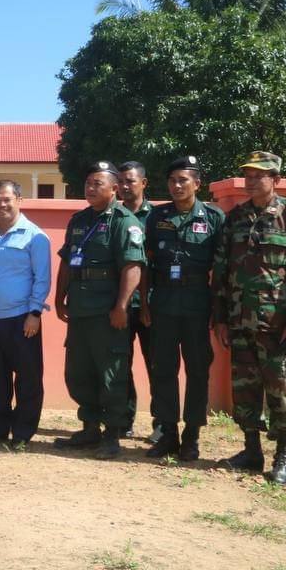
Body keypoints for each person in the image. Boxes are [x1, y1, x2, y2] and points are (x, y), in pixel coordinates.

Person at [212, 151, 286, 486]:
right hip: (240, 319)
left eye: (259, 175)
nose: (251, 180)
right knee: (244, 389)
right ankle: (251, 450)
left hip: (278, 324)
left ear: (276, 179)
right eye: (248, 174)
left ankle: (282, 456)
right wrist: (220, 317)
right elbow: (222, 269)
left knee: (282, 389)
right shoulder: (236, 218)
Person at [53, 161, 145, 459]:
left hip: (107, 312)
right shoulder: (79, 220)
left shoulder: (124, 221)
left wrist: (121, 306)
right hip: (80, 308)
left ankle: (112, 434)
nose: (90, 188)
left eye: (97, 184)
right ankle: (90, 427)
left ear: (114, 188)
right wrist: (59, 297)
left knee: (111, 374)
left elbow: (132, 267)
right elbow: (67, 261)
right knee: (79, 372)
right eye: (88, 183)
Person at [139, 156, 225, 461]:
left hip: (197, 305)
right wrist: (145, 302)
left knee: (197, 370)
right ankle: (168, 433)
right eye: (172, 180)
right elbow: (146, 263)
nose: (176, 186)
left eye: (183, 180)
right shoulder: (157, 216)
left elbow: (222, 268)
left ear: (197, 184)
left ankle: (192, 435)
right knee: (163, 369)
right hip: (162, 304)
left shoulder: (213, 217)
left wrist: (218, 310)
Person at [0, 180, 51, 448]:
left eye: (7, 199)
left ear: (19, 200)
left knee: (28, 378)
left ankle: (22, 432)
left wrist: (35, 313)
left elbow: (42, 278)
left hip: (22, 318)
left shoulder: (35, 236)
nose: (2, 205)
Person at [117, 161, 156, 440]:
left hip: (151, 305)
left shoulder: (157, 217)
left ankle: (161, 423)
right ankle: (124, 420)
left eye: (130, 181)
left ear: (143, 183)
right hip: (121, 305)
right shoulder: (114, 216)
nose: (124, 186)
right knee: (121, 365)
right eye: (121, 181)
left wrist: (145, 304)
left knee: (157, 365)